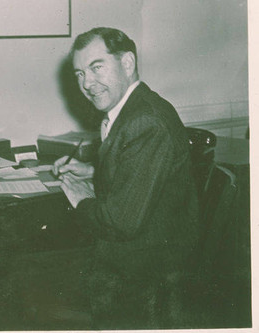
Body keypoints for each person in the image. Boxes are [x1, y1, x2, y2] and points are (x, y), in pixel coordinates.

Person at [51, 27, 200, 329]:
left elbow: (120, 221)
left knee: (20, 278)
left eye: (96, 68)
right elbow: (142, 177)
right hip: (134, 261)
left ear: (128, 63)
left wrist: (82, 199)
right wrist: (94, 172)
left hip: (143, 281)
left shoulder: (145, 121)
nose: (87, 83)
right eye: (79, 74)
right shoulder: (133, 109)